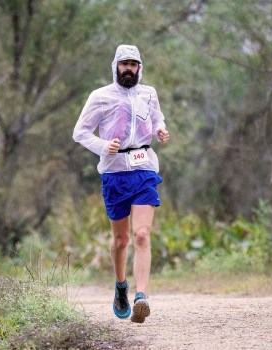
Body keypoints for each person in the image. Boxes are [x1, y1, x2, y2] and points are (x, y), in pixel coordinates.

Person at [72, 44, 170, 323]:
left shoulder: (148, 93)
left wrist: (161, 128)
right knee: (121, 239)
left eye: (133, 64)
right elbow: (80, 132)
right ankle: (121, 286)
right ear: (115, 66)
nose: (129, 69)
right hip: (114, 173)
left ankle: (142, 296)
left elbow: (156, 117)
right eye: (124, 64)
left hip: (144, 168)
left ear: (140, 68)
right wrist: (104, 146)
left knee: (141, 235)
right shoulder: (100, 96)